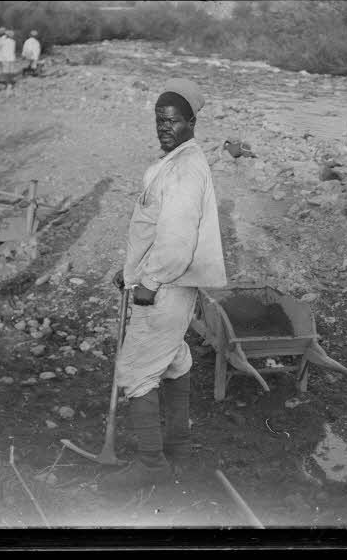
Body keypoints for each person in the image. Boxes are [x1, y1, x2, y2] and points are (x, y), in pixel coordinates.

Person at [103, 78, 227, 493]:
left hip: (167, 286)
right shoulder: (177, 162)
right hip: (166, 283)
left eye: (173, 121)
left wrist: (149, 281)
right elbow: (153, 229)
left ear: (191, 122)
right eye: (159, 120)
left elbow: (176, 241)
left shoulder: (185, 170)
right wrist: (131, 270)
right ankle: (180, 449)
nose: (164, 127)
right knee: (173, 360)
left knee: (136, 370)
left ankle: (152, 464)